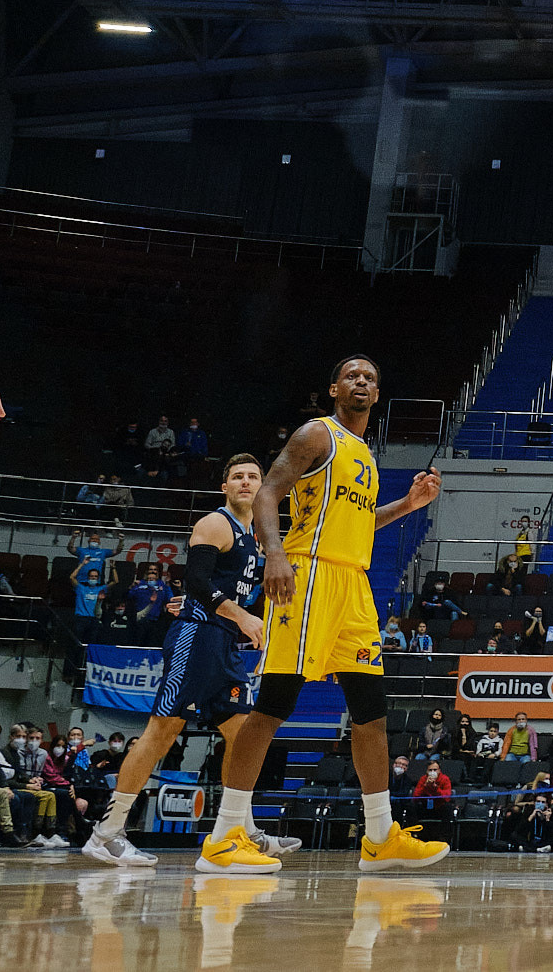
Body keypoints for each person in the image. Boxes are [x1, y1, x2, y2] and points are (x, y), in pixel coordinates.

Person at [201, 356, 447, 874]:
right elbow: (269, 492)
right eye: (353, 376)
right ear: (335, 387)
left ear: (378, 394)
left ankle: (379, 838)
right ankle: (225, 836)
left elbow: (358, 525)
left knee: (371, 712)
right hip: (308, 574)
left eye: (371, 378)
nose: (362, 382)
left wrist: (407, 504)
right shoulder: (319, 434)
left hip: (355, 585)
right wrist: (273, 554)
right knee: (273, 704)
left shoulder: (366, 455)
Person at [82, 457, 296, 867]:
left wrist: (250, 625)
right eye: (238, 477)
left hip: (227, 644)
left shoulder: (260, 534)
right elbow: (197, 582)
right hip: (196, 637)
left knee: (243, 735)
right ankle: (106, 833)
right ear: (225, 487)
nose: (246, 482)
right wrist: (241, 616)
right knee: (161, 733)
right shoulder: (214, 524)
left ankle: (238, 830)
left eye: (253, 476)